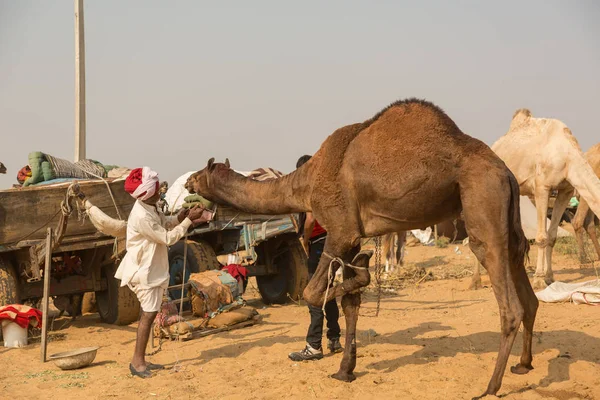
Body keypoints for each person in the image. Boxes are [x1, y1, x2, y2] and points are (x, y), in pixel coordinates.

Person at [115, 167, 206, 378]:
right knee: (148, 315)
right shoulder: (141, 216)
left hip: (153, 268)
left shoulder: (150, 206)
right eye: (156, 190)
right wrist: (189, 221)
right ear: (147, 193)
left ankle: (142, 360)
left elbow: (165, 224)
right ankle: (137, 363)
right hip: (143, 271)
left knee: (150, 312)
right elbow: (167, 238)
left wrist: (180, 217)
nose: (159, 193)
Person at [289, 155, 342, 361]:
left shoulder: (311, 188)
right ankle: (335, 338)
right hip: (333, 243)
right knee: (327, 291)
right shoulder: (328, 186)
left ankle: (313, 346)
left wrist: (305, 240)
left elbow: (310, 219)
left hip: (319, 244)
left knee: (314, 294)